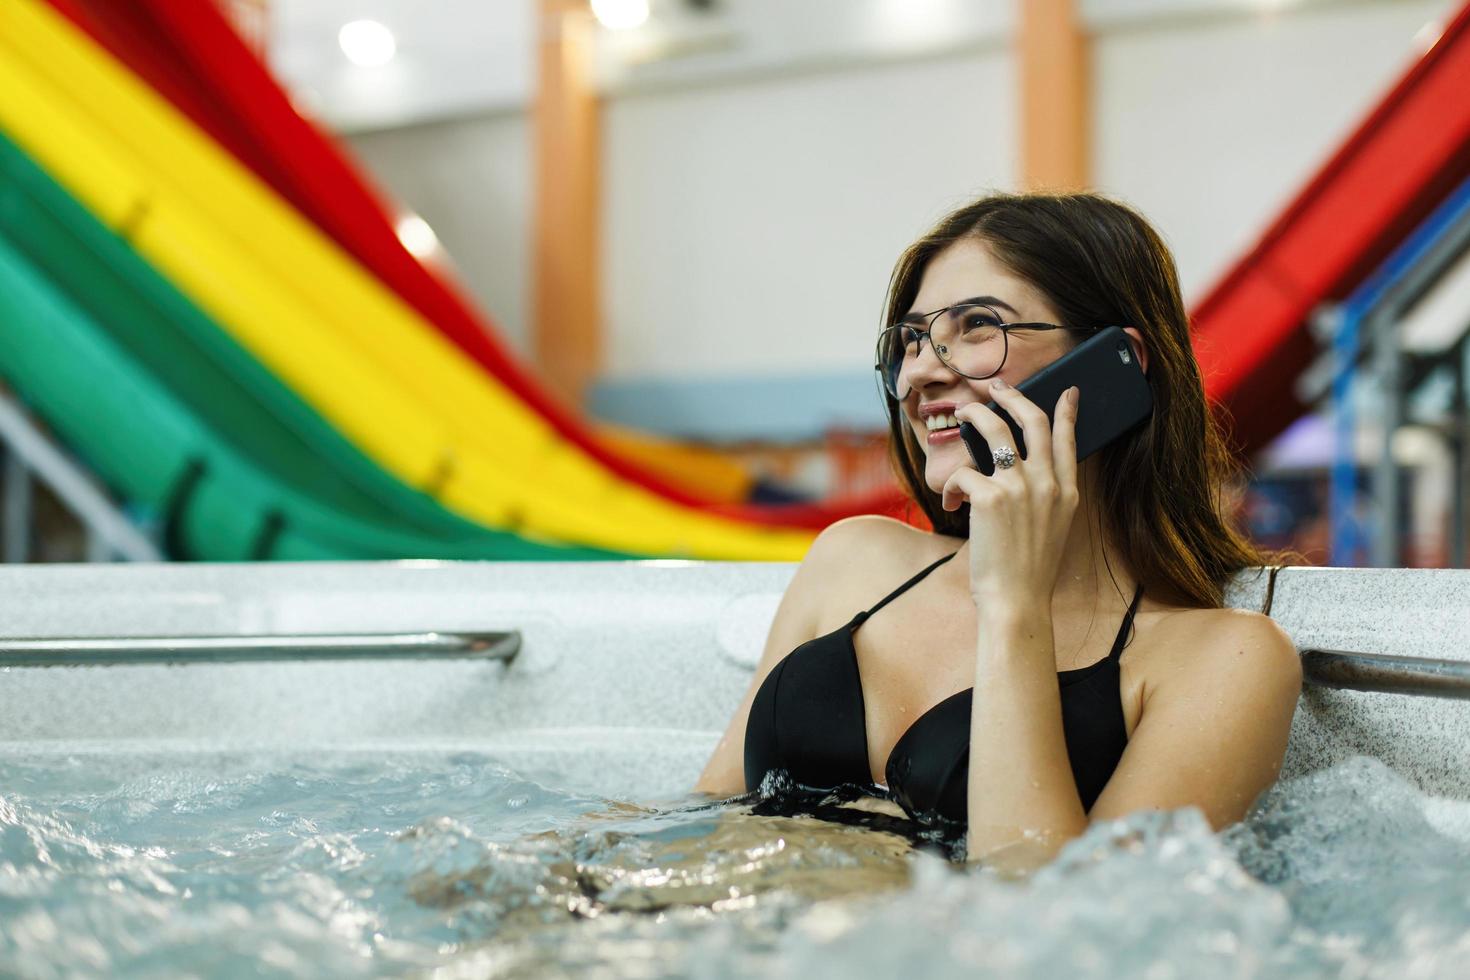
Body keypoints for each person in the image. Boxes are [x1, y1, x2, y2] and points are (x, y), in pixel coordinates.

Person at [694, 192, 1304, 869]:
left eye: (978, 326)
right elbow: (705, 815)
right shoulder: (853, 559)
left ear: (1114, 363)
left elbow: (1053, 927)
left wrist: (1013, 605)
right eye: (913, 340)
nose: (921, 372)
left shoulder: (1225, 662)